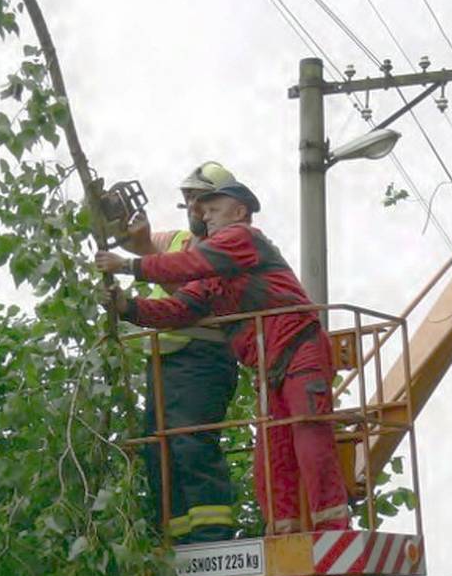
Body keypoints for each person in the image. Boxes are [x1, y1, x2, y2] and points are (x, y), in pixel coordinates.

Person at [96, 181, 350, 534]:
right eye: (203, 211)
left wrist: (130, 266)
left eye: (213, 209)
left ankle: (333, 526)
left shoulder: (243, 239)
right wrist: (128, 307)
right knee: (272, 449)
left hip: (298, 348)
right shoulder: (213, 272)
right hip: (268, 364)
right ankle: (283, 529)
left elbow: (189, 263)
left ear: (240, 211)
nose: (205, 216)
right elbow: (180, 308)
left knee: (308, 431)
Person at [123, 162, 239, 544]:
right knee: (160, 452)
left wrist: (140, 255)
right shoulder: (176, 240)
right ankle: (174, 536)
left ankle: (211, 535)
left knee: (191, 444)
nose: (194, 207)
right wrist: (116, 220)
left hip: (204, 359)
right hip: (167, 363)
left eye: (202, 199)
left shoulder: (232, 245)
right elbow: (136, 245)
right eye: (188, 199)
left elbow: (191, 302)